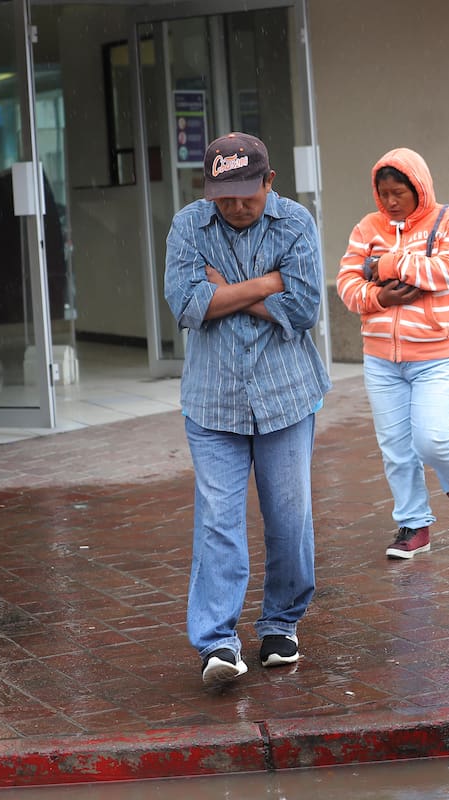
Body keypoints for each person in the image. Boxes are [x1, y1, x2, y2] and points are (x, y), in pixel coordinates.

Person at [164, 132, 331, 687]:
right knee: (219, 520)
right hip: (212, 402)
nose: (236, 207)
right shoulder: (189, 226)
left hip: (286, 395)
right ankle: (217, 641)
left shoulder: (296, 223)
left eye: (247, 196)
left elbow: (303, 308)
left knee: (289, 517)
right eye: (224, 197)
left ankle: (281, 623)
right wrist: (266, 285)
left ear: (269, 182)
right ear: (208, 191)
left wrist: (227, 291)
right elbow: (187, 304)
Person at [336, 147, 449, 560]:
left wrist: (384, 265)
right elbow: (347, 285)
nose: (390, 202)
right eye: (383, 194)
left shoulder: (448, 221)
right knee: (396, 449)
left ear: (419, 188)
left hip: (440, 356)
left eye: (398, 193)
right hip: (382, 359)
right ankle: (414, 524)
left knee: (432, 438)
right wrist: (379, 297)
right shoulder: (367, 228)